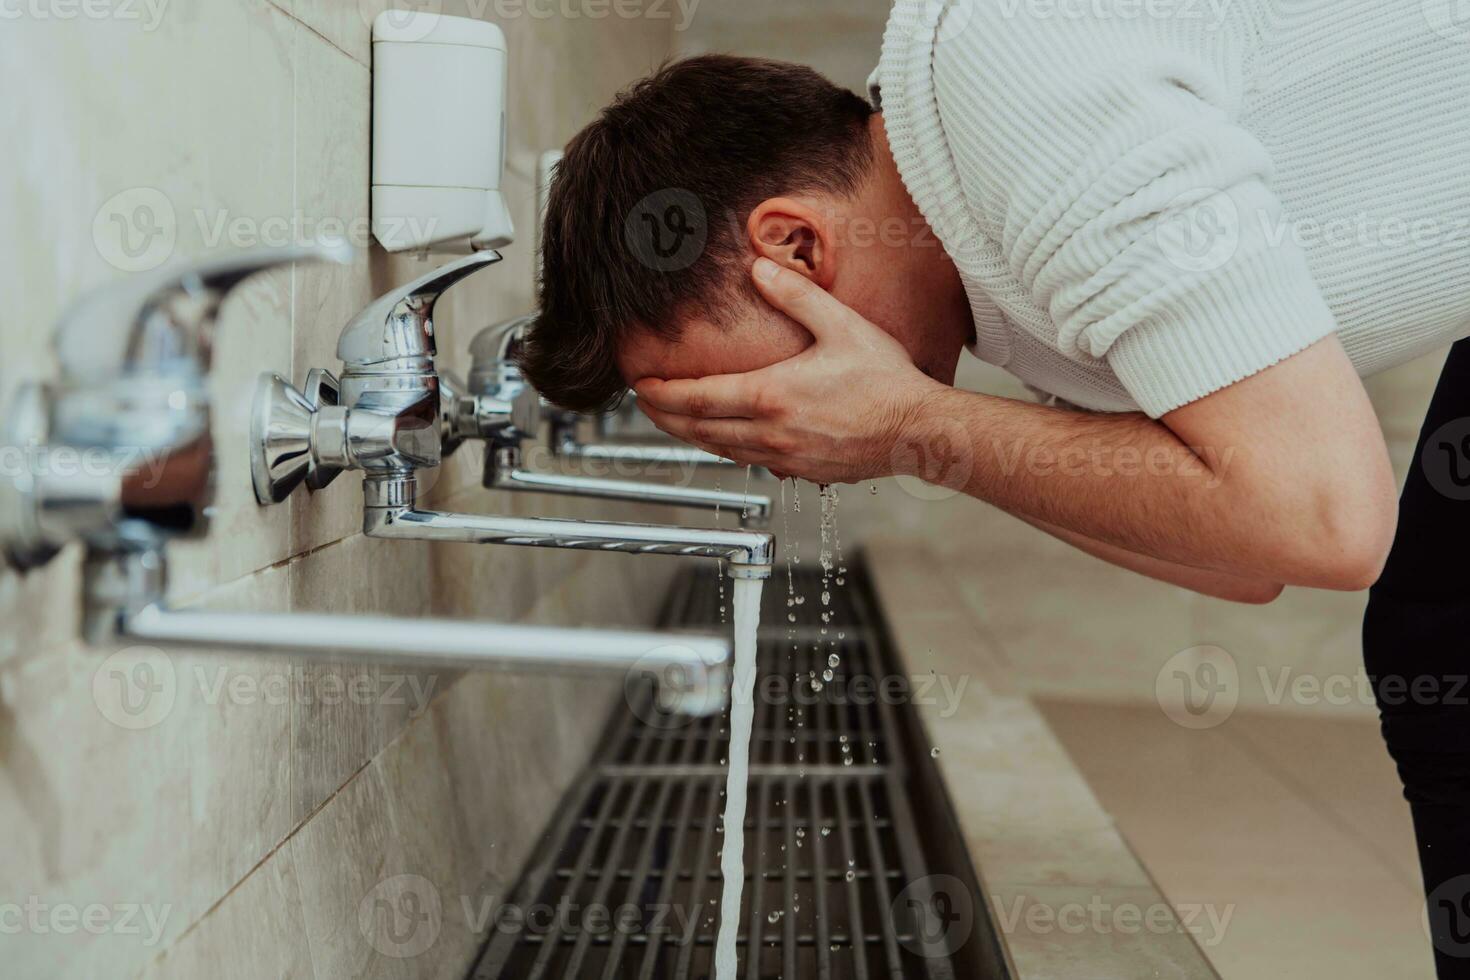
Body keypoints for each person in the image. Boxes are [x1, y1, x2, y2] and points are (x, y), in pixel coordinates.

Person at [517, 3, 1470, 972]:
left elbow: (1325, 517)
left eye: (735, 394)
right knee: (1434, 640)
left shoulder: (1014, 90)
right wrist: (919, 435)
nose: (760, 443)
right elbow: (1243, 560)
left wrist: (912, 424)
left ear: (796, 249)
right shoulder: (990, 240)